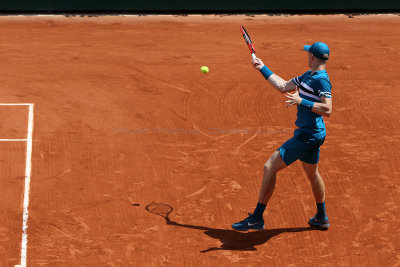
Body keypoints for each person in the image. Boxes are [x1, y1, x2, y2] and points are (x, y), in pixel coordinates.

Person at [232, 42, 333, 231]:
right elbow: (283, 86)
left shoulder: (321, 80)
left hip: (308, 135)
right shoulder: (307, 76)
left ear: (312, 57)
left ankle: (257, 218)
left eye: (308, 53)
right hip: (314, 134)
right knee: (312, 174)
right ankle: (321, 216)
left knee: (270, 166)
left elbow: (328, 109)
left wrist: (301, 100)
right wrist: (262, 67)